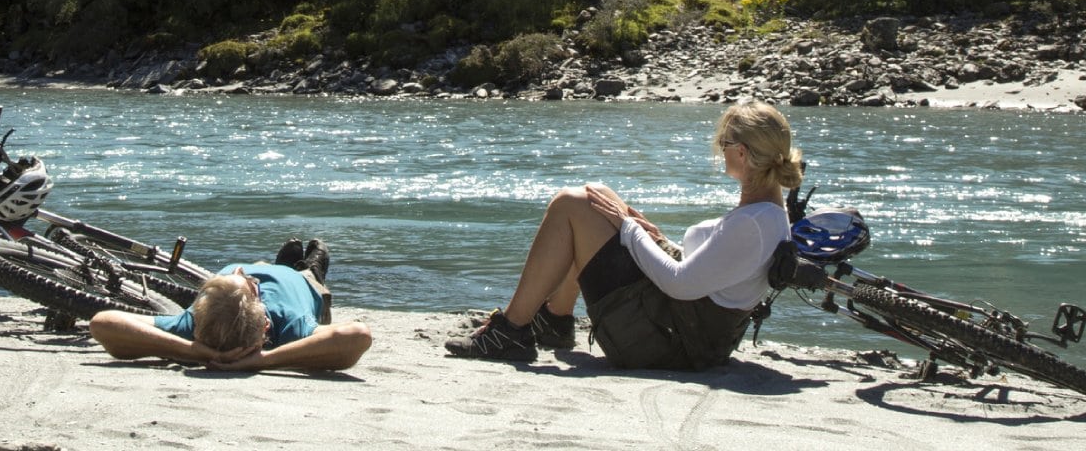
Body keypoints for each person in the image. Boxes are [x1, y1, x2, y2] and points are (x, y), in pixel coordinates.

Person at [445, 99, 803, 369]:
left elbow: (680, 284)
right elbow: (716, 272)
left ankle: (511, 331)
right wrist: (655, 237)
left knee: (571, 204)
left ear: (740, 153)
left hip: (666, 343)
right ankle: (554, 320)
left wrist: (630, 230)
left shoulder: (752, 223)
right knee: (598, 195)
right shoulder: (768, 213)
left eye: (723, 142)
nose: (719, 149)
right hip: (682, 329)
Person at [86, 238, 373, 371]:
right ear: (264, 324)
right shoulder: (289, 323)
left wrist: (194, 351)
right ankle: (309, 267)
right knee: (310, 274)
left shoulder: (191, 328)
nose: (240, 273)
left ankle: (280, 263)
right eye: (251, 283)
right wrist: (264, 360)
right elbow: (358, 336)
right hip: (296, 284)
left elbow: (102, 322)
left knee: (261, 264)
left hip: (249, 286)